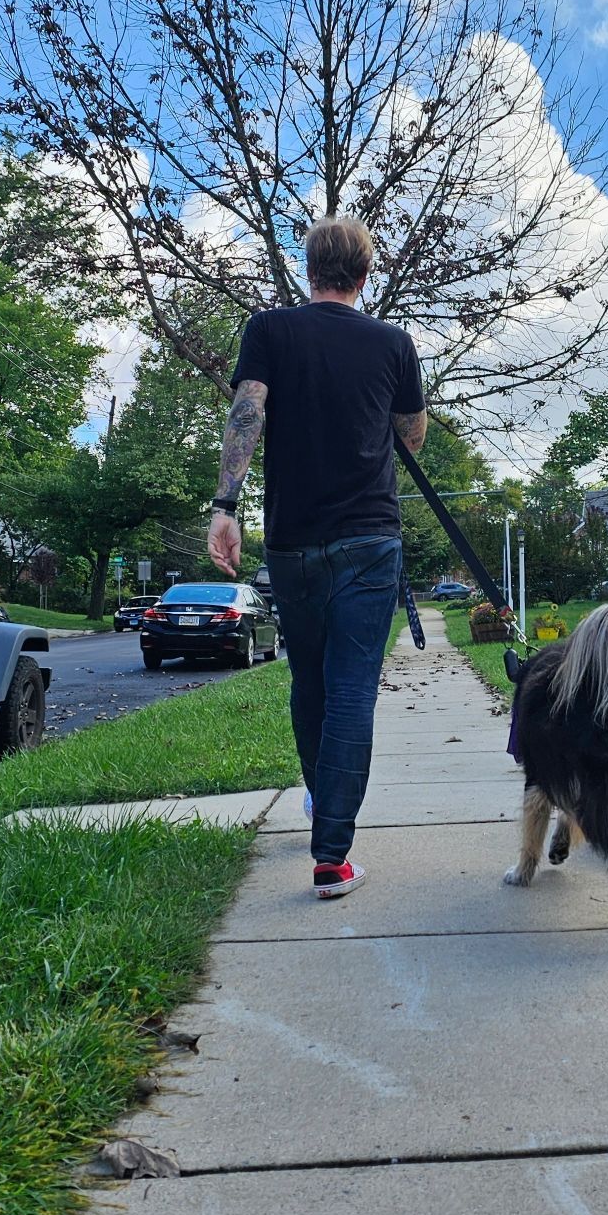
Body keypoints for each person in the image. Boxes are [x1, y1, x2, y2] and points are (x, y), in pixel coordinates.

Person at [207, 217, 427, 898]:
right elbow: (411, 436)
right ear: (366, 274)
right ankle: (332, 854)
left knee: (310, 681)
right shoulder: (395, 343)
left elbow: (247, 413)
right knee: (353, 689)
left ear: (310, 271)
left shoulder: (270, 330)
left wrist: (226, 505)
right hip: (369, 538)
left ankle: (318, 799)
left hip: (293, 540)